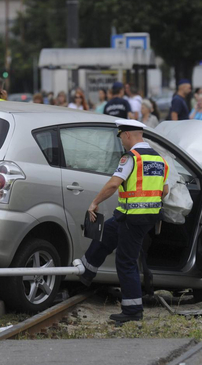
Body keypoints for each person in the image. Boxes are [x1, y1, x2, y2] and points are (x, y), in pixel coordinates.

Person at [78, 119, 169, 324]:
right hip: (145, 217)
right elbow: (165, 190)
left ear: (127, 135)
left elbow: (113, 184)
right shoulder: (159, 159)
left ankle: (132, 309)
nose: (121, 142)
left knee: (126, 261)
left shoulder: (131, 158)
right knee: (107, 232)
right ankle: (86, 271)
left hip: (133, 218)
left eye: (121, 138)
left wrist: (94, 203)